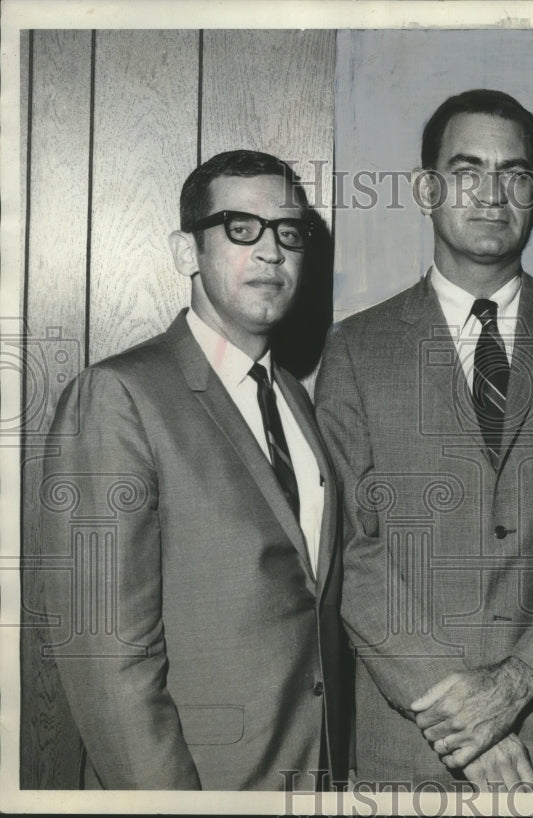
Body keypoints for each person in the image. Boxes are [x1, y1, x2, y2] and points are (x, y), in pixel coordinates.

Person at [314, 89, 533, 792]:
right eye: (467, 170)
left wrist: (517, 683)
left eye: (516, 173)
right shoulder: (355, 350)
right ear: (426, 187)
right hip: (413, 735)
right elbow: (349, 547)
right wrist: (455, 708)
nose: (491, 193)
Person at [40, 150, 349, 790]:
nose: (270, 252)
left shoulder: (292, 396)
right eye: (241, 228)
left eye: (289, 232)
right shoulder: (119, 396)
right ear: (188, 253)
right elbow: (106, 657)